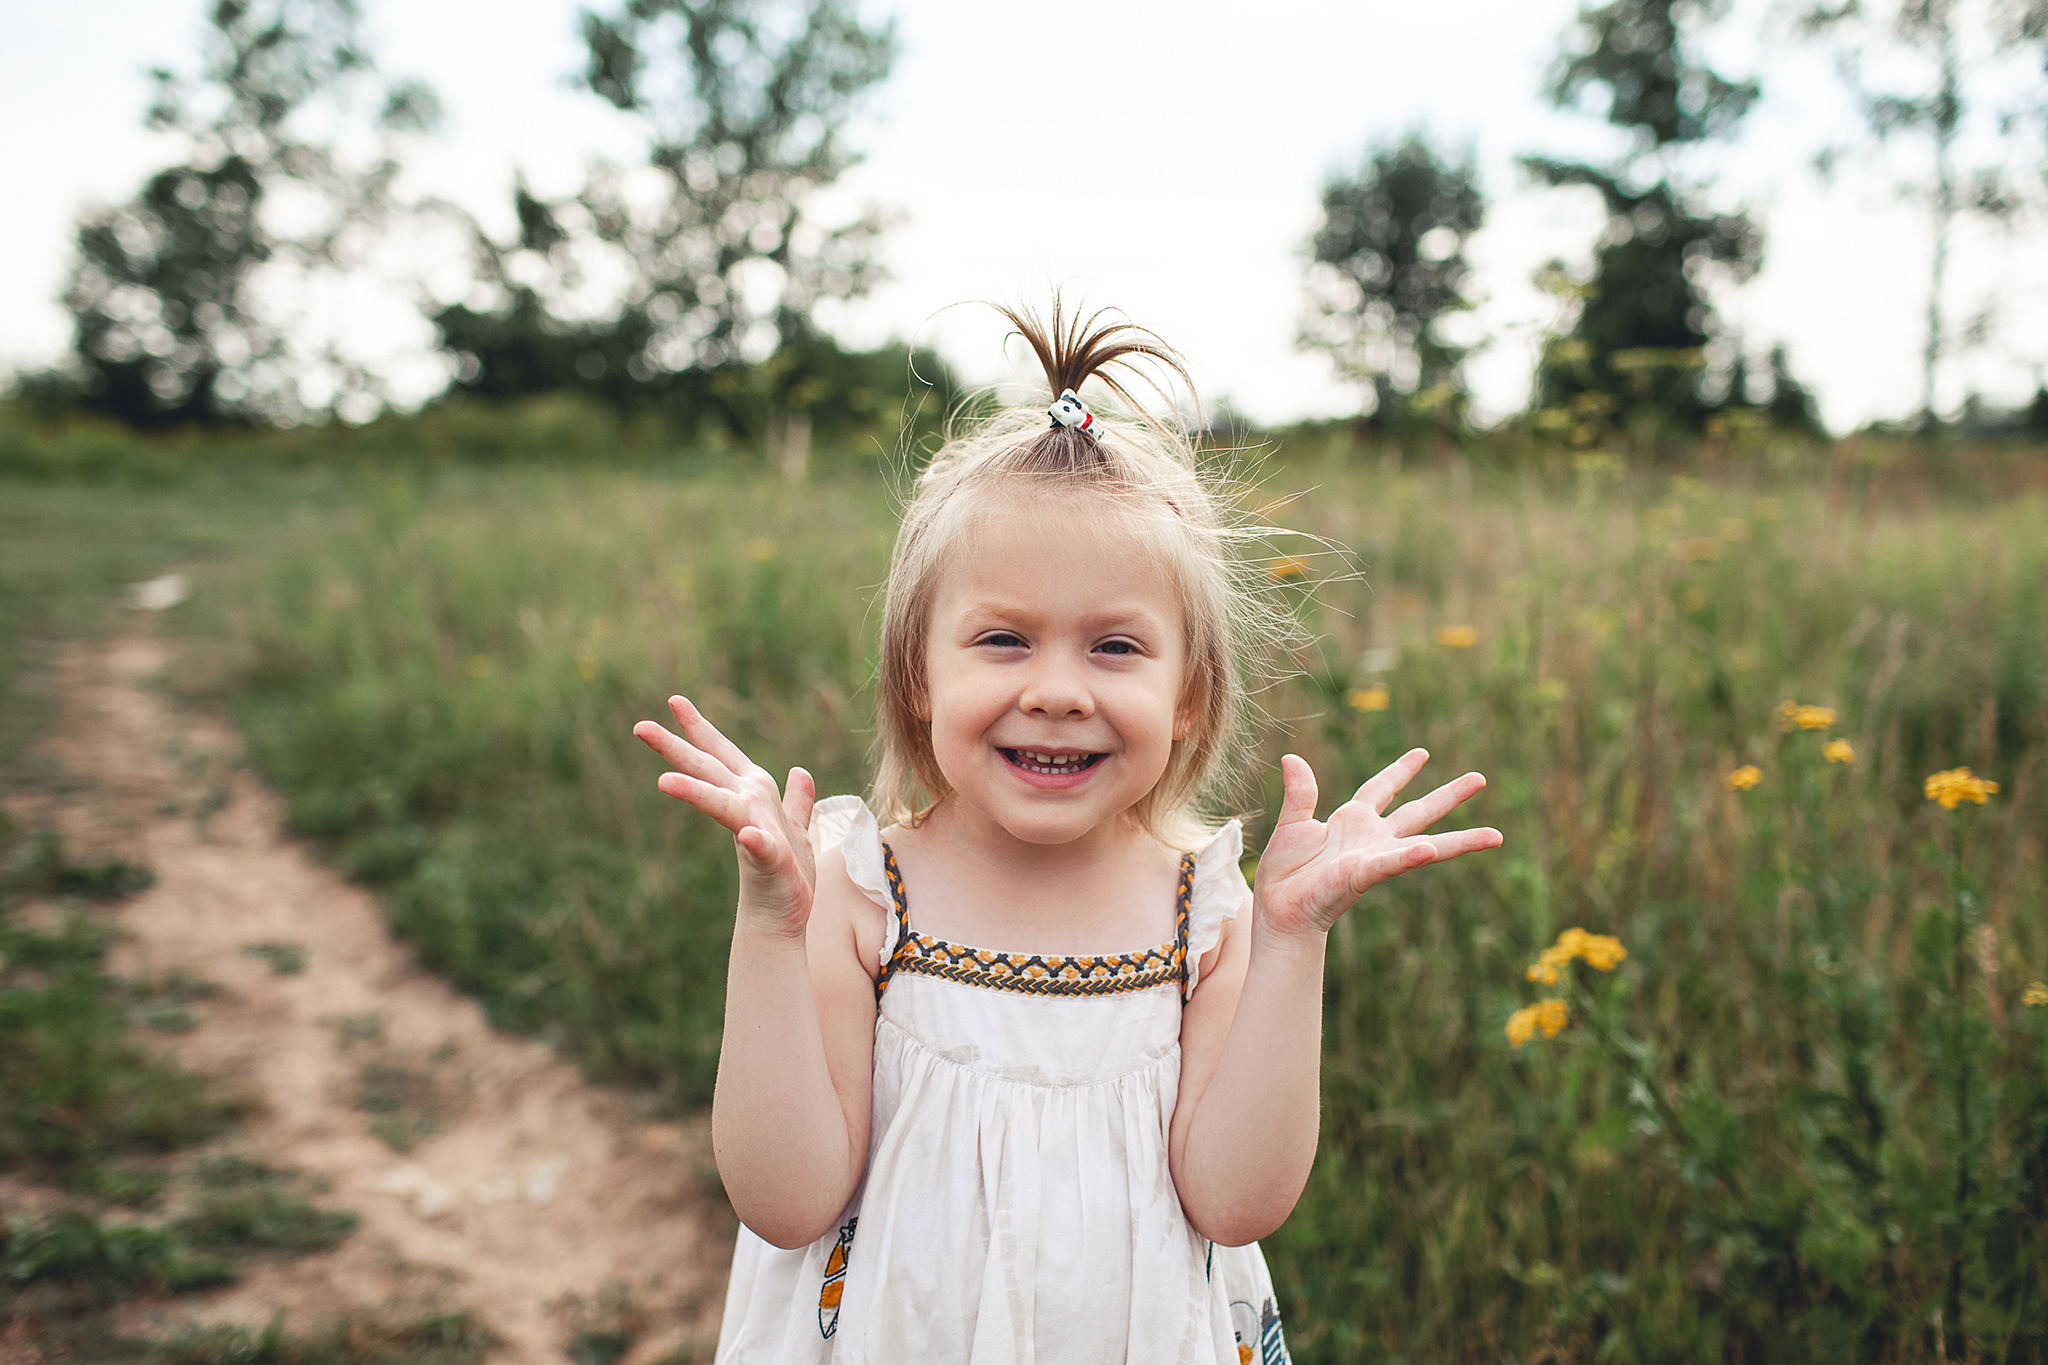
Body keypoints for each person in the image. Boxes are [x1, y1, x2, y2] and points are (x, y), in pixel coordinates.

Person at [633, 301, 1504, 1364]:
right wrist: (769, 928)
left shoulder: (1208, 918)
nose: (1055, 691)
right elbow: (786, 1199)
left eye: (1114, 648)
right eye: (1003, 639)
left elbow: (1234, 1202)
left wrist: (1293, 939)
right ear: (918, 676)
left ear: (1189, 695)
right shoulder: (858, 897)